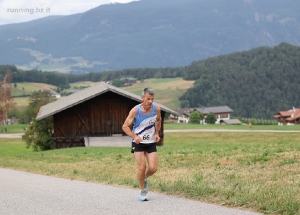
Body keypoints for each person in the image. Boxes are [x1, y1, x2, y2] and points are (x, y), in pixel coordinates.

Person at [122, 87, 161, 202]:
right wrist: (134, 136)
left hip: (150, 142)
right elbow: (125, 126)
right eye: (148, 99)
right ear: (143, 98)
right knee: (142, 167)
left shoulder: (156, 109)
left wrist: (157, 133)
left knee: (153, 168)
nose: (150, 102)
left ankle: (143, 179)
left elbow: (158, 120)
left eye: (152, 99)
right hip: (138, 142)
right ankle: (142, 191)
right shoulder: (135, 110)